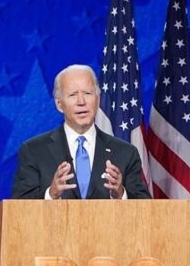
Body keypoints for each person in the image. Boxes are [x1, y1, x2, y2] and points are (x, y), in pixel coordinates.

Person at [12, 64, 151, 200]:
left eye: (87, 93)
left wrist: (120, 194)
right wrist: (51, 194)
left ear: (98, 100)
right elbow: (19, 207)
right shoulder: (34, 151)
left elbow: (145, 207)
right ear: (59, 104)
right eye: (72, 95)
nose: (81, 101)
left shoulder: (126, 153)